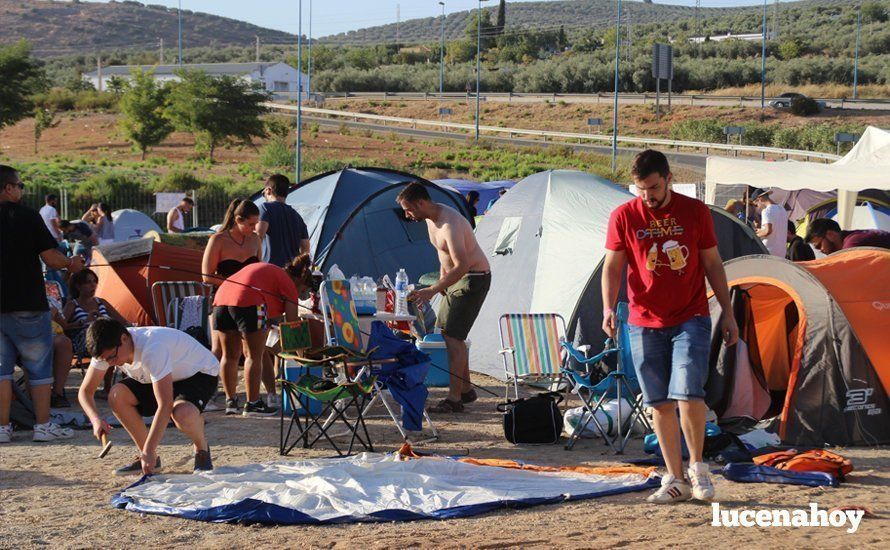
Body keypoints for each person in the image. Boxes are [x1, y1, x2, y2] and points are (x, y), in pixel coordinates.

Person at [601, 150, 737, 504]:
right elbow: (612, 267)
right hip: (643, 320)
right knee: (658, 401)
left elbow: (712, 264)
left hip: (690, 316)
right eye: (641, 189)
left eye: (654, 187)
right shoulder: (624, 216)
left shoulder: (695, 212)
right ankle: (674, 478)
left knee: (689, 390)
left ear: (669, 178)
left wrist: (728, 312)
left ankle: (698, 468)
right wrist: (607, 307)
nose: (648, 196)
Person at [1, 165, 85, 443]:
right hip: (26, 301)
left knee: (1, 370)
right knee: (37, 367)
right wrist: (71, 264)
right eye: (20, 185)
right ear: (8, 188)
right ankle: (43, 424)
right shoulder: (27, 217)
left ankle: (2, 429)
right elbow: (51, 258)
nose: (22, 190)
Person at [78, 318, 219, 475]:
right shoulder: (107, 350)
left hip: (198, 373)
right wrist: (95, 420)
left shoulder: (153, 347)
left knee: (182, 414)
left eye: (112, 357)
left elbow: (164, 405)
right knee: (117, 395)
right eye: (106, 360)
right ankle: (148, 457)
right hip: (160, 375)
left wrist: (149, 450)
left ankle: (201, 448)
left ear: (124, 338)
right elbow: (85, 391)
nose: (110, 363)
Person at [399, 183, 491, 414]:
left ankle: (454, 399)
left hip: (472, 278)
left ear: (421, 203)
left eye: (408, 209)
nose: (407, 215)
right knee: (449, 335)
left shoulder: (450, 223)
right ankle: (466, 389)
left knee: (452, 337)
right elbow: (444, 255)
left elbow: (463, 264)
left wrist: (432, 289)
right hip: (454, 280)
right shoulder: (430, 219)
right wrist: (442, 280)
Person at [212, 255, 314, 416]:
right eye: (301, 291)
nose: (299, 294)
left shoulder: (272, 272)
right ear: (300, 280)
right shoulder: (288, 283)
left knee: (229, 355)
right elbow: (292, 322)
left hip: (221, 299)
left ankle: (230, 402)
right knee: (254, 356)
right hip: (248, 301)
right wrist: (302, 354)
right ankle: (253, 404)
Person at [200, 199, 263, 406]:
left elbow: (259, 269)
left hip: (251, 301)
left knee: (252, 352)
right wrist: (234, 282)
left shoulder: (255, 240)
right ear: (238, 220)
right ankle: (230, 399)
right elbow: (206, 275)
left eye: (256, 224)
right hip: (224, 300)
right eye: (251, 224)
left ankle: (254, 399)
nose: (254, 228)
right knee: (230, 352)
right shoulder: (218, 240)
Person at [256, 174, 310, 267]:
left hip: (270, 269)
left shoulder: (264, 208)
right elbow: (305, 248)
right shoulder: (297, 216)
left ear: (269, 190)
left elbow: (258, 237)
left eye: (263, 194)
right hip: (291, 272)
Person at [805, 218, 890, 254]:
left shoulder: (852, 243)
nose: (821, 250)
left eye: (819, 245)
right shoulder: (850, 239)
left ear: (830, 234)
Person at [752, 188, 789, 257]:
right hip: (781, 252)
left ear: (760, 199)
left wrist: (754, 235)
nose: (757, 207)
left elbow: (767, 231)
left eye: (756, 205)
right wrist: (760, 230)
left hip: (769, 251)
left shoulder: (766, 211)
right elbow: (776, 229)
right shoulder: (782, 209)